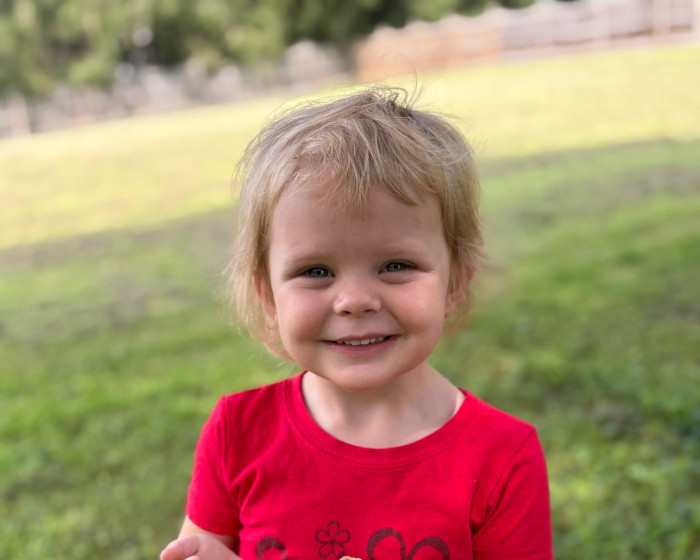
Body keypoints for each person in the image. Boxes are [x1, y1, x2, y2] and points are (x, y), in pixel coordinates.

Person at [160, 87, 552, 560]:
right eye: (316, 271)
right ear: (268, 294)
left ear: (455, 283)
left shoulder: (502, 456)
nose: (355, 301)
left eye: (396, 265)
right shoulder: (238, 433)